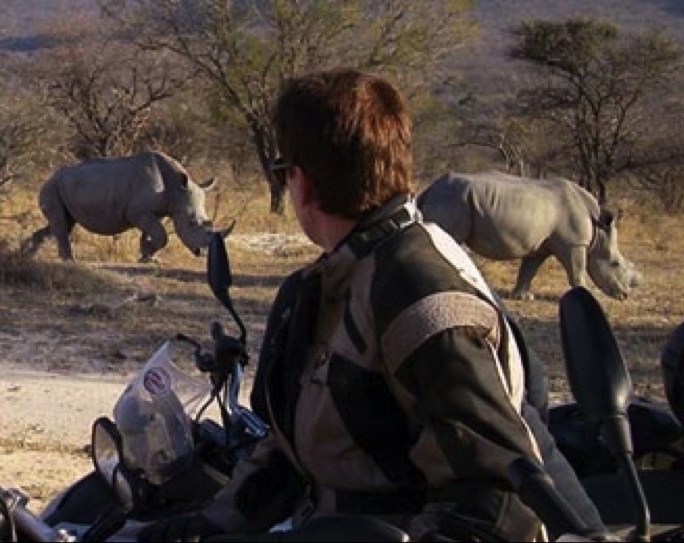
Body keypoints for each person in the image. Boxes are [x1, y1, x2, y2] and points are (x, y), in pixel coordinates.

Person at [138, 67, 605, 541]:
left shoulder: (421, 293)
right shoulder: (338, 276)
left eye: (283, 172)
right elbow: (295, 453)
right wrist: (210, 524)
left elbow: (497, 497)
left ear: (300, 182)